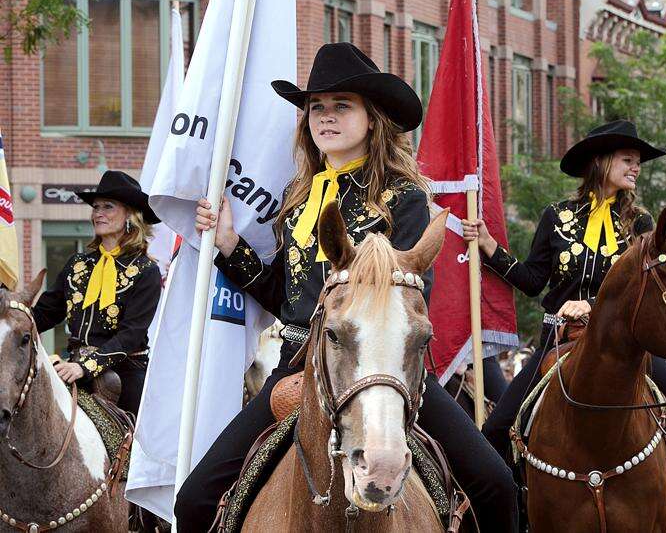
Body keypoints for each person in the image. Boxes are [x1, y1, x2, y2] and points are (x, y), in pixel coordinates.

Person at [174, 42, 517, 532]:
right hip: (297, 368)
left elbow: (410, 297)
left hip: (384, 367)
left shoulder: (403, 199)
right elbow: (286, 299)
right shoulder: (297, 202)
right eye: (317, 108)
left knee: (495, 483)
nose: (325, 118)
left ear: (372, 119)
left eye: (342, 106)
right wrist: (230, 245)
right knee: (194, 500)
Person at [463, 120, 666, 497]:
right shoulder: (555, 216)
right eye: (628, 160)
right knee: (498, 427)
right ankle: (517, 505)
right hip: (558, 336)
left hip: (625, 342)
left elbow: (645, 288)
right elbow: (534, 280)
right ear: (600, 161)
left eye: (638, 163)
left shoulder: (641, 223)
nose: (636, 168)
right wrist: (489, 247)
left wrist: (593, 305)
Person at [32, 171, 162, 416]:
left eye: (108, 207)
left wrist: (85, 367)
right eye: (96, 207)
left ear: (130, 216)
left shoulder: (146, 271)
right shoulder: (78, 264)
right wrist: (13, 316)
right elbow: (46, 313)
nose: (98, 213)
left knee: (135, 445)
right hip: (73, 366)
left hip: (125, 372)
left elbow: (131, 335)